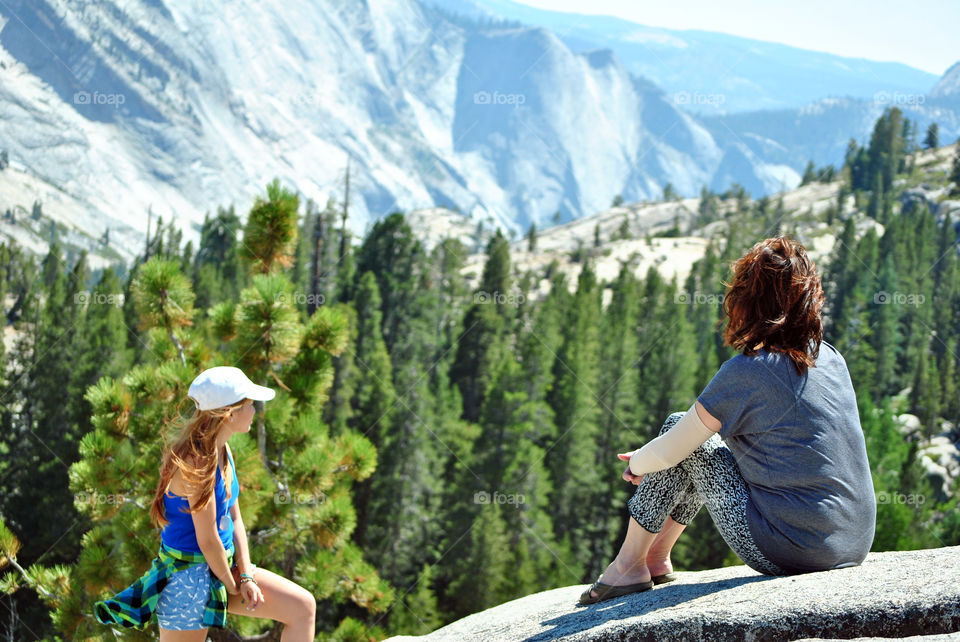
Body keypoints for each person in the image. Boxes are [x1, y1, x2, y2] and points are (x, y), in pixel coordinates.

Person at [580, 236, 877, 604]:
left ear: (748, 301)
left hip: (794, 550)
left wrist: (637, 463)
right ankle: (656, 558)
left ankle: (628, 566)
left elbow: (673, 449)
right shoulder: (831, 357)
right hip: (855, 542)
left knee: (679, 427)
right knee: (696, 442)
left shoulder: (748, 371)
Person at [94, 366, 317, 640]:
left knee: (302, 607)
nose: (255, 411)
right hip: (187, 579)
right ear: (229, 413)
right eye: (249, 404)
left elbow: (235, 519)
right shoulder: (196, 464)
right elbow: (208, 539)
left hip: (222, 566)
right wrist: (232, 583)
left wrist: (245, 576)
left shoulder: (222, 448)